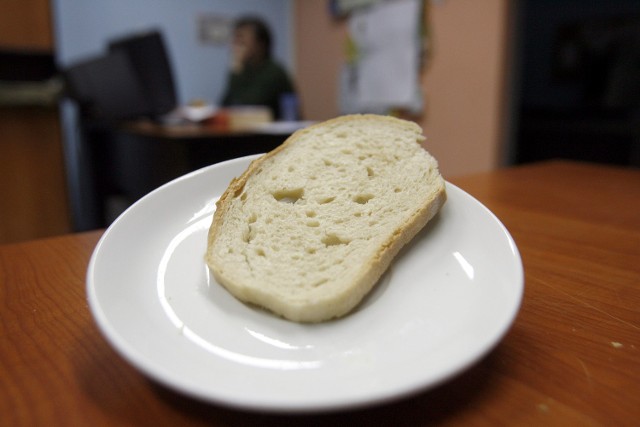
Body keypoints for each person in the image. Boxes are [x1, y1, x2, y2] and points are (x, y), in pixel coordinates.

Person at [220, 16, 298, 120]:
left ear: (260, 44)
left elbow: (250, 106)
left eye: (242, 41)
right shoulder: (244, 70)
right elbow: (225, 106)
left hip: (275, 134)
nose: (236, 46)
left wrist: (236, 72)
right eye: (235, 40)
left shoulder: (273, 71)